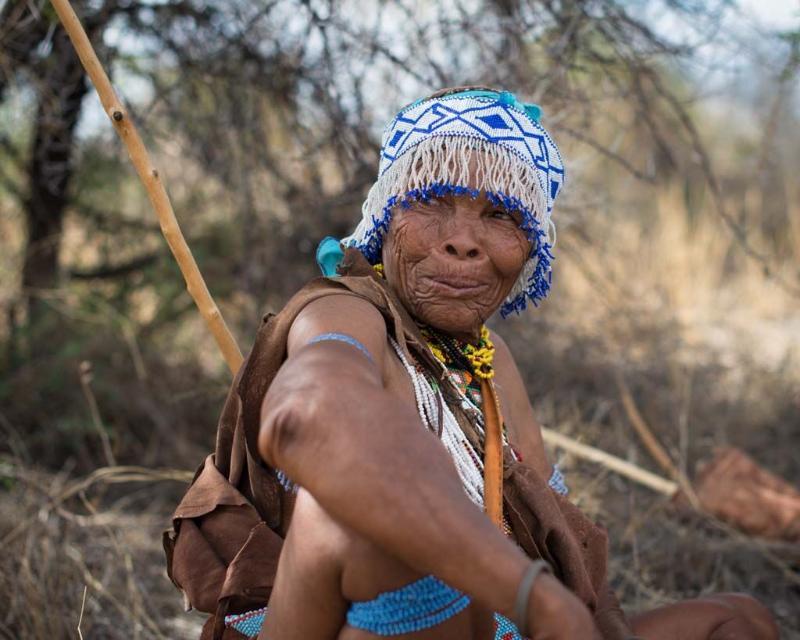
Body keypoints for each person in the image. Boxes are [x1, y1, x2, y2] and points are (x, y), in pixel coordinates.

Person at [165, 87, 779, 640]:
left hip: (499, 627)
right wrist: (534, 600)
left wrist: (593, 622)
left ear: (529, 248)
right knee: (378, 524)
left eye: (501, 215)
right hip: (370, 623)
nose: (464, 239)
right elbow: (306, 414)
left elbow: (557, 544)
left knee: (737, 620)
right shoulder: (341, 315)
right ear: (386, 221)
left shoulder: (491, 359)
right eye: (433, 201)